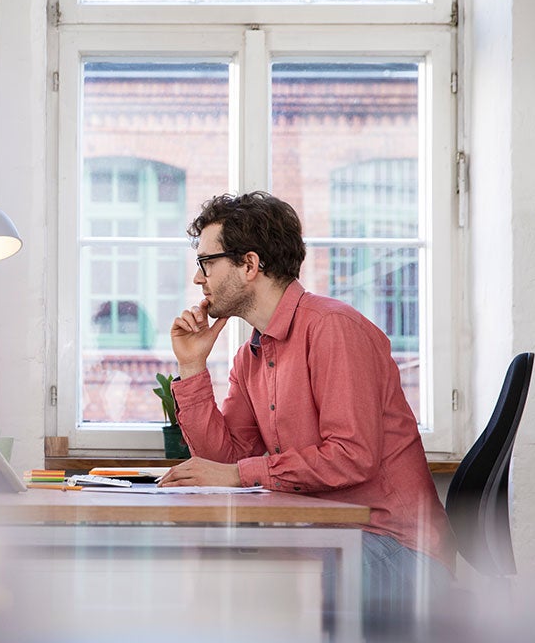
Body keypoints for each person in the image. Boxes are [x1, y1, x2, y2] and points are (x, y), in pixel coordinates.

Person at [158, 191, 453, 637]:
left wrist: (239, 475)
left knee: (238, 580)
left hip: (397, 552)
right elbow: (226, 458)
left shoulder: (334, 328)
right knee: (214, 563)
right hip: (333, 538)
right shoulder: (251, 354)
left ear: (250, 265)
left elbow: (351, 455)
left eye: (206, 263)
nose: (198, 279)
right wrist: (192, 367)